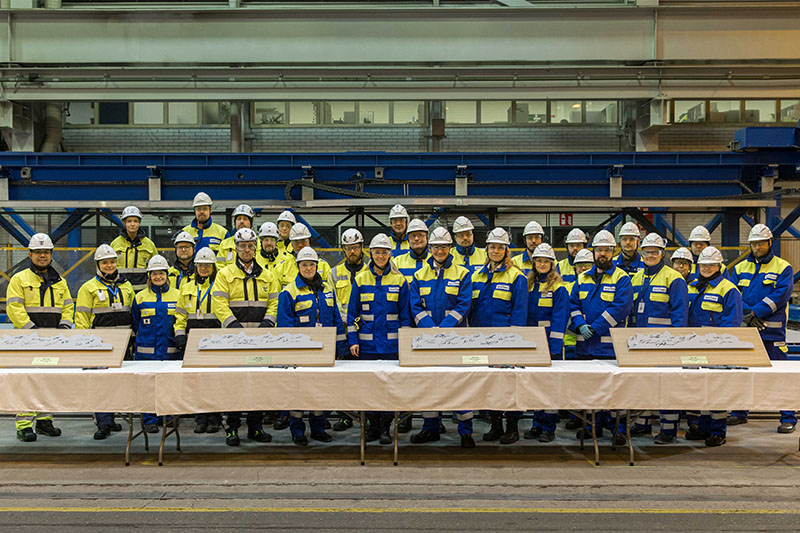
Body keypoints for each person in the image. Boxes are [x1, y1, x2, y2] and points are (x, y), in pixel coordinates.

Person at [211, 227, 280, 446]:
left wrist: (268, 321)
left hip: (261, 340)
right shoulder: (225, 274)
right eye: (242, 246)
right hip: (234, 340)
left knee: (258, 385)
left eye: (251, 246)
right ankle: (232, 429)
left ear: (255, 248)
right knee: (233, 385)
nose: (247, 250)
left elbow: (275, 301)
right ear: (236, 248)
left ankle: (256, 428)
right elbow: (218, 302)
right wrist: (233, 325)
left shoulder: (269, 276)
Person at [408, 227, 475, 449]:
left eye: (443, 247)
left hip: (455, 339)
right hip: (428, 338)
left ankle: (465, 432)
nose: (439, 251)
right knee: (430, 383)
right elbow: (415, 305)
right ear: (431, 248)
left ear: (450, 248)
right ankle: (430, 428)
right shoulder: (419, 275)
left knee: (460, 384)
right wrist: (429, 328)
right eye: (436, 247)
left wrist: (443, 328)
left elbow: (464, 305)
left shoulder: (463, 274)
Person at [277, 247, 348, 446]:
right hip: (299, 355)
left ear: (317, 266)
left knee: (319, 391)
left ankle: (318, 429)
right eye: (304, 264)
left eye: (312, 264)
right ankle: (298, 432)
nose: (308, 268)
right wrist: (290, 356)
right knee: (297, 392)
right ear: (298, 266)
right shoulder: (289, 292)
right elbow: (285, 326)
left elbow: (335, 319)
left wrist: (340, 349)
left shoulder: (327, 289)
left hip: (323, 352)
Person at [6, 233, 73, 442]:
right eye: (38, 252)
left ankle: (45, 420)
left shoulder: (60, 282)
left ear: (51, 255)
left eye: (46, 252)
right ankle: (24, 425)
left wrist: (64, 327)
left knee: (48, 380)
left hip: (53, 340)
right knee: (27, 382)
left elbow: (68, 307)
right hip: (27, 340)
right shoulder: (19, 279)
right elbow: (13, 307)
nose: (42, 255)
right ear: (30, 254)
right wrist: (31, 329)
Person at [729, 224, 795, 433]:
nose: (757, 247)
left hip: (772, 333)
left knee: (780, 376)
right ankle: (740, 412)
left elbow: (780, 296)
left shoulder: (783, 267)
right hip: (747, 331)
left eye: (760, 243)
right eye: (754, 243)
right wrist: (747, 315)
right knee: (742, 374)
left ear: (769, 243)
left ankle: (788, 416)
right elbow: (733, 294)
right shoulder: (739, 268)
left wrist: (756, 312)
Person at [347, 233, 412, 444]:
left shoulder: (400, 281)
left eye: (384, 252)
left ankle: (385, 427)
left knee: (389, 389)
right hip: (367, 346)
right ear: (371, 254)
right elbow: (352, 315)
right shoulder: (360, 279)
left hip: (392, 346)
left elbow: (405, 316)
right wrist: (353, 340)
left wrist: (405, 344)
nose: (381, 256)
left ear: (390, 254)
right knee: (368, 388)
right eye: (377, 252)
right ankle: (372, 427)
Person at [569, 229, 633, 444]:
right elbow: (574, 304)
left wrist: (594, 328)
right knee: (589, 390)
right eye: (599, 250)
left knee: (615, 391)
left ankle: (618, 430)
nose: (602, 254)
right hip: (585, 346)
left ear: (613, 252)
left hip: (610, 347)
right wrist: (580, 325)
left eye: (606, 250)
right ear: (593, 252)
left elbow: (620, 309)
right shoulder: (582, 278)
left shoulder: (621, 278)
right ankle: (590, 427)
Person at [627, 233, 689, 444]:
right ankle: (642, 424)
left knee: (667, 386)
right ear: (641, 253)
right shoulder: (636, 277)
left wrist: (677, 344)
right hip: (640, 343)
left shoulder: (674, 278)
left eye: (654, 252)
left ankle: (668, 429)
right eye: (646, 252)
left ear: (662, 254)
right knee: (642, 384)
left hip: (665, 344)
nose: (650, 255)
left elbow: (680, 314)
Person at [469, 227, 528, 445]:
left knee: (510, 385)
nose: (495, 250)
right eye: (492, 247)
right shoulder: (477, 275)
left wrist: (515, 342)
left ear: (506, 250)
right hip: (482, 340)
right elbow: (471, 309)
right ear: (487, 249)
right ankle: (496, 425)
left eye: (500, 247)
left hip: (507, 341)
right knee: (491, 385)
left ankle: (512, 428)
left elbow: (520, 312)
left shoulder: (516, 277)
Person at [75, 244, 136, 440]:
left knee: (116, 384)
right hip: (99, 346)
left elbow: (132, 314)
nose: (109, 265)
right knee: (100, 385)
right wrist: (85, 344)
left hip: (123, 344)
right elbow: (82, 318)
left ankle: (111, 417)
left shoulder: (126, 287)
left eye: (111, 262)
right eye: (104, 262)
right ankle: (102, 421)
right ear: (98, 265)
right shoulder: (88, 288)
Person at [685, 246, 742, 447]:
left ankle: (718, 432)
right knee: (698, 389)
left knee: (716, 391)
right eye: (703, 265)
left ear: (719, 266)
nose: (707, 268)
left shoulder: (728, 289)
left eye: (711, 265)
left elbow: (732, 323)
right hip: (692, 348)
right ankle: (701, 428)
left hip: (716, 349)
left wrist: (719, 349)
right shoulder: (692, 286)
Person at [523, 243, 569, 443]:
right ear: (534, 263)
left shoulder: (559, 288)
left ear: (552, 264)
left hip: (550, 345)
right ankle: (536, 424)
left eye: (546, 261)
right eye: (539, 261)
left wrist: (554, 348)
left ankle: (548, 427)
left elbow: (559, 320)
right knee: (535, 387)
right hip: (533, 345)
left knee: (549, 387)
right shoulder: (529, 284)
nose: (542, 264)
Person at [174, 247, 223, 434]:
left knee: (214, 381)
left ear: (213, 267)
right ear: (195, 267)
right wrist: (180, 334)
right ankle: (200, 419)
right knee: (197, 382)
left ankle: (214, 418)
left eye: (207, 265)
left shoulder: (219, 286)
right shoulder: (186, 288)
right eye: (200, 265)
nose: (203, 268)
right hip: (193, 340)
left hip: (215, 339)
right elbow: (180, 316)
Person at [131, 255, 181, 433]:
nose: (158, 277)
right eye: (154, 274)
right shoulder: (140, 297)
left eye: (161, 273)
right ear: (149, 276)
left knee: (169, 385)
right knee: (147, 386)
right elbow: (135, 322)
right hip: (146, 352)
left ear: (167, 275)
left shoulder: (178, 295)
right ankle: (149, 419)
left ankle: (167, 416)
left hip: (169, 350)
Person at [328, 228, 369, 432]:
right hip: (343, 330)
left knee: (365, 376)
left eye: (355, 247)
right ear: (343, 249)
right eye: (348, 248)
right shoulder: (334, 273)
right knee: (343, 376)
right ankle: (345, 416)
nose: (352, 251)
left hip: (367, 330)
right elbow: (331, 301)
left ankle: (367, 415)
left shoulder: (371, 269)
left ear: (362, 248)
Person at [110, 205, 158, 292]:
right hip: (121, 290)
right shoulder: (115, 244)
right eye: (129, 221)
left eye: (135, 221)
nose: (132, 224)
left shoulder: (149, 245)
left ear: (139, 223)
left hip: (144, 291)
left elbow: (156, 267)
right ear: (124, 223)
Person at [273, 223, 332, 288]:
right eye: (296, 242)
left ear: (309, 242)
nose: (300, 245)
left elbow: (330, 293)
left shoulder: (323, 266)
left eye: (303, 241)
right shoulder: (281, 268)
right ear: (292, 245)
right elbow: (275, 296)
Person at [395, 219, 431, 283]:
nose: (416, 238)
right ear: (408, 240)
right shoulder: (397, 262)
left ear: (427, 238)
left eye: (420, 235)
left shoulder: (435, 261)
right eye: (413, 236)